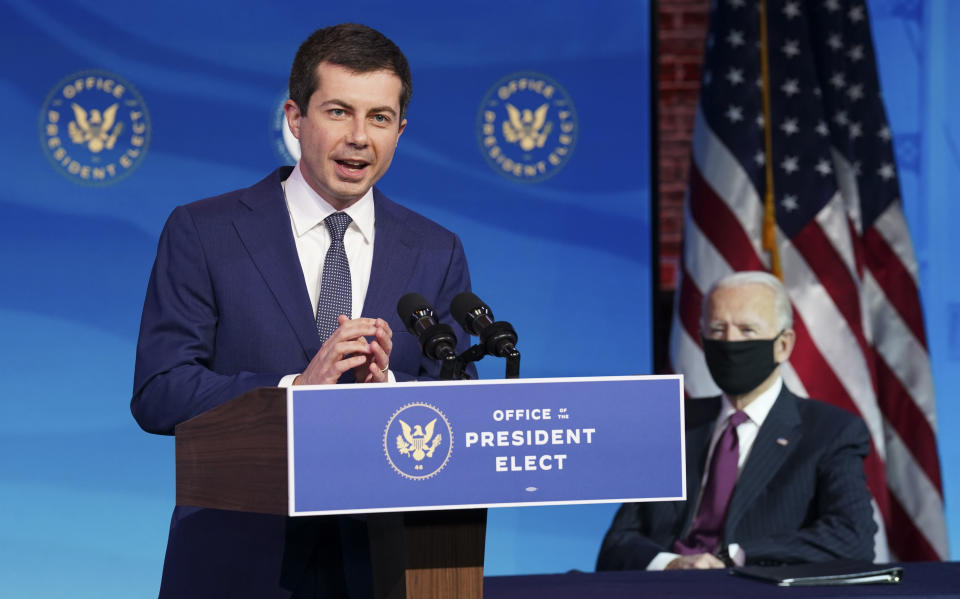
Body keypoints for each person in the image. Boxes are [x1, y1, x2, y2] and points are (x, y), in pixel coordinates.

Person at [131, 23, 473, 598]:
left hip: (384, 565)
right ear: (296, 119)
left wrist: (387, 389)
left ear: (400, 130)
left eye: (380, 118)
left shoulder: (437, 251)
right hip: (239, 561)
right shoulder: (205, 231)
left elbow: (456, 412)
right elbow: (161, 391)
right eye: (339, 112)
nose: (360, 137)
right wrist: (294, 391)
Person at [597, 271, 876, 571]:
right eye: (717, 329)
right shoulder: (670, 423)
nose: (729, 341)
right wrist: (672, 564)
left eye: (747, 330)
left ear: (783, 345)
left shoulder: (830, 431)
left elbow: (852, 538)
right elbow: (618, 542)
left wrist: (736, 556)